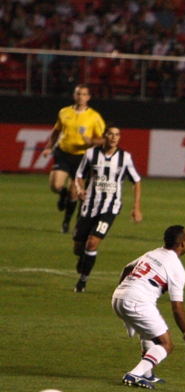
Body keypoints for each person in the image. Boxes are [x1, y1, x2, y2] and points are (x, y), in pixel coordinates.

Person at [112, 225, 185, 390]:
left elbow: (127, 268)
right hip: (137, 300)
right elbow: (177, 308)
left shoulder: (153, 253)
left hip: (118, 296)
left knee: (149, 332)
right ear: (183, 243)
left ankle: (148, 374)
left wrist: (123, 295)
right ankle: (134, 374)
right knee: (166, 344)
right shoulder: (176, 268)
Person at [72, 124, 142, 293]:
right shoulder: (91, 154)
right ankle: (83, 257)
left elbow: (136, 181)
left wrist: (136, 207)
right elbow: (79, 175)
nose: (113, 137)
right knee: (78, 248)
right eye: (110, 134)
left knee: (93, 242)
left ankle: (82, 281)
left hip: (111, 207)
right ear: (104, 136)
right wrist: (80, 188)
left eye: (117, 134)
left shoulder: (125, 157)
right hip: (89, 205)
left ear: (119, 138)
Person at [41, 84, 105, 233]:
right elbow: (56, 131)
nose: (80, 96)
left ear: (88, 97)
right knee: (55, 186)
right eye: (78, 93)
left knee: (74, 192)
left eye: (84, 94)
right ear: (74, 95)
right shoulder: (64, 112)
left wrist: (91, 141)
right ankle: (61, 194)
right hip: (63, 153)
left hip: (82, 157)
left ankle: (66, 222)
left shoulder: (94, 116)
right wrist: (49, 147)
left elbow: (103, 139)